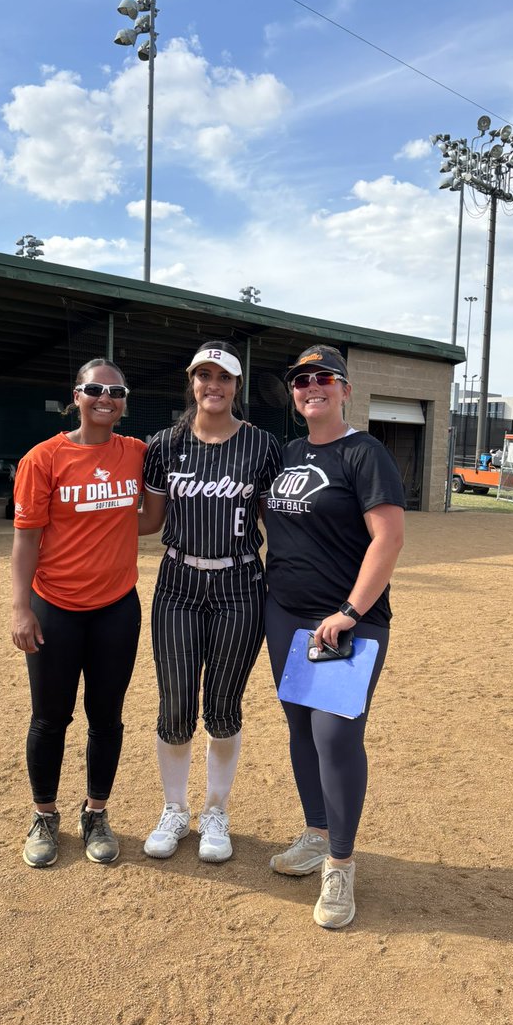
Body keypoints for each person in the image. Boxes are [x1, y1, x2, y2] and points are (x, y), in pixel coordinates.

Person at [264, 345, 406, 929]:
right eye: (301, 380)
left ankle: (340, 865)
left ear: (345, 390)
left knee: (335, 737)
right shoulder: (289, 452)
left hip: (345, 621)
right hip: (286, 616)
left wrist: (350, 609)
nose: (311, 386)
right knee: (301, 726)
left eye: (324, 378)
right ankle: (317, 833)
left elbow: (389, 538)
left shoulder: (363, 452)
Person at [139, 342, 282, 863]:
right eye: (203, 376)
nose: (213, 385)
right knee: (175, 701)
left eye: (223, 377)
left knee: (223, 704)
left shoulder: (264, 447)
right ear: (192, 383)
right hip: (178, 581)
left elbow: (278, 522)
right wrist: (77, 526)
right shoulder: (164, 444)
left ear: (236, 386)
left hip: (240, 584)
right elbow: (149, 521)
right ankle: (175, 809)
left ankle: (215, 811)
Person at [11, 359, 146, 868]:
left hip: (116, 608)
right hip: (55, 608)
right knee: (50, 718)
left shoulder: (135, 452)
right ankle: (45, 815)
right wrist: (21, 608)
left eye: (115, 390)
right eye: (95, 389)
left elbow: (152, 514)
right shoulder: (44, 458)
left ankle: (96, 812)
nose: (105, 398)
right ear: (77, 395)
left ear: (124, 400)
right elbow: (25, 541)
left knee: (106, 718)